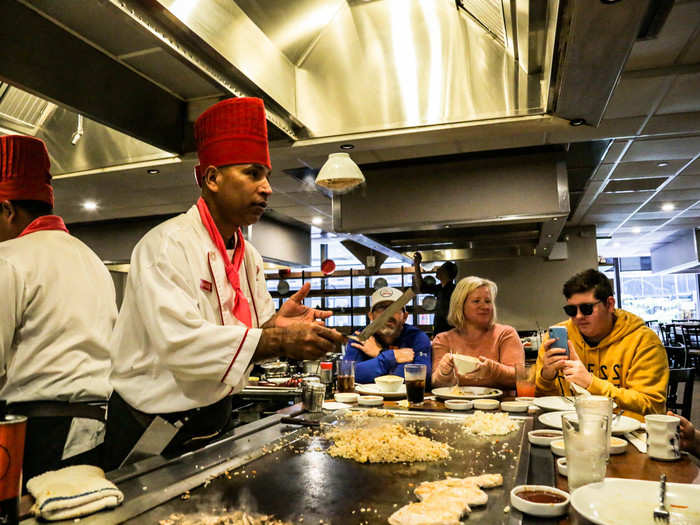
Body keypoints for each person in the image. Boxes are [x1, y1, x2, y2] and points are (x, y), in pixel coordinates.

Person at [104, 98, 344, 470]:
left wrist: (281, 324)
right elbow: (180, 343)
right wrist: (279, 339)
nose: (267, 188)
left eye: (266, 176)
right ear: (212, 178)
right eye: (252, 173)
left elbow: (253, 332)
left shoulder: (249, 255)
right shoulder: (168, 244)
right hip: (152, 426)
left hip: (213, 416)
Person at [0, 135, 117, 488]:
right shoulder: (90, 258)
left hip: (36, 430)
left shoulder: (9, 259)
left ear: (7, 210)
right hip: (94, 425)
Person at [535, 269, 668, 421]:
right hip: (568, 428)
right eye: (571, 310)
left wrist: (591, 383)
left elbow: (652, 406)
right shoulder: (555, 340)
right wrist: (546, 377)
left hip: (627, 434)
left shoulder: (643, 341)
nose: (578, 316)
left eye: (587, 309)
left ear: (610, 304)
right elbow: (542, 403)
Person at [431, 276, 523, 388]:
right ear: (460, 305)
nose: (484, 306)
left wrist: (492, 370)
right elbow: (436, 383)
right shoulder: (443, 340)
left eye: (488, 301)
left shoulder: (506, 334)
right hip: (455, 404)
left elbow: (520, 377)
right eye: (476, 301)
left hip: (499, 404)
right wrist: (443, 373)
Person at [343, 287, 432, 384]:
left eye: (395, 308)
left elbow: (421, 376)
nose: (387, 314)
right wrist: (391, 357)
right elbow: (347, 374)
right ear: (371, 316)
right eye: (381, 308)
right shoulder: (361, 337)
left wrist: (379, 353)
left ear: (405, 316)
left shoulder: (417, 337)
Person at [413, 252, 457, 336]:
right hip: (441, 332)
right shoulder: (441, 288)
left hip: (448, 333)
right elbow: (422, 287)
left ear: (446, 273)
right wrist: (416, 265)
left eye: (440, 268)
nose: (437, 270)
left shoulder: (453, 290)